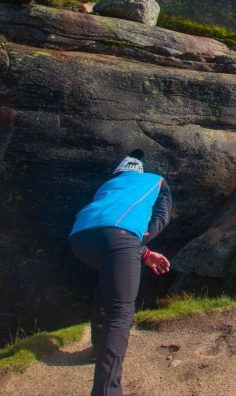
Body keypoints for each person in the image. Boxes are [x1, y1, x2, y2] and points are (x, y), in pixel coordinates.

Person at [69, 150, 172, 396]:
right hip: (121, 238)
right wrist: (141, 241)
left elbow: (108, 222)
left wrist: (143, 254)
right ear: (140, 170)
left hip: (79, 238)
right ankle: (107, 390)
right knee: (121, 311)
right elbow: (162, 215)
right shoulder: (155, 180)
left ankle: (97, 346)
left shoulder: (107, 186)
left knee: (109, 284)